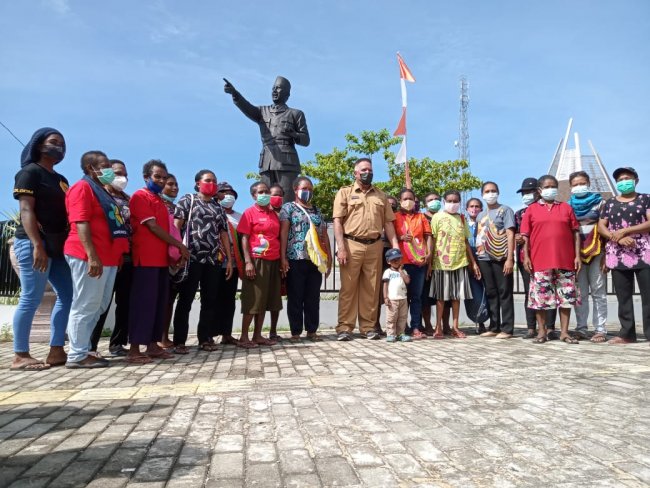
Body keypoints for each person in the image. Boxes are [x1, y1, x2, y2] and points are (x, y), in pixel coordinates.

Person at [11, 128, 72, 370]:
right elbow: (26, 210)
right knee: (31, 298)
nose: (59, 147)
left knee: (68, 295)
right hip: (34, 242)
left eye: (62, 143)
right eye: (53, 142)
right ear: (39, 145)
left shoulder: (61, 180)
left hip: (57, 246)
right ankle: (20, 355)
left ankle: (57, 349)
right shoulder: (29, 173)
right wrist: (37, 245)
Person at [64, 151, 130, 368]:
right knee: (85, 304)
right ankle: (76, 354)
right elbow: (80, 222)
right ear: (91, 168)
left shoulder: (102, 191)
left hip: (109, 258)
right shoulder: (82, 188)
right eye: (104, 165)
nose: (109, 169)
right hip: (88, 256)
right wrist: (92, 256)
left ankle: (87, 350)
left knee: (99, 306)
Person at [127, 160, 189, 364]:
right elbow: (152, 227)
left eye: (164, 177)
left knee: (159, 303)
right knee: (143, 303)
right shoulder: (140, 197)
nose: (161, 181)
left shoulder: (160, 201)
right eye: (157, 177)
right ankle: (135, 349)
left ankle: (153, 345)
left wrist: (174, 253)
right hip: (145, 259)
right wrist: (179, 245)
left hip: (161, 260)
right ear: (146, 177)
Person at [333, 158, 399, 341]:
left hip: (375, 246)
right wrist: (341, 247)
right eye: (363, 170)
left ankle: (368, 328)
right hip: (351, 244)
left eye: (370, 169)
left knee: (371, 288)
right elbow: (337, 221)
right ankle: (345, 327)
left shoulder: (381, 195)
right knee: (348, 288)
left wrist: (396, 247)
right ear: (355, 173)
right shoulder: (344, 192)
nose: (367, 172)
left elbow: (388, 223)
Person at [224, 76, 310, 202]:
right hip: (266, 162)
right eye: (273, 88)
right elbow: (247, 107)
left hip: (287, 162)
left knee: (286, 200)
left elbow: (306, 140)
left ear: (287, 94)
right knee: (265, 199)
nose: (275, 91)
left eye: (279, 88)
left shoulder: (296, 114)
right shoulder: (262, 111)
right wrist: (235, 94)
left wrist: (294, 134)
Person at [173, 170, 232, 352]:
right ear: (198, 183)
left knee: (210, 301)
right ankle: (180, 342)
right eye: (208, 180)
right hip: (190, 258)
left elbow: (223, 234)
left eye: (214, 181)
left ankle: (205, 338)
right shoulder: (188, 200)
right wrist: (176, 251)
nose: (212, 183)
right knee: (186, 300)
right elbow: (177, 226)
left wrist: (229, 260)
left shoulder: (218, 207)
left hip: (212, 260)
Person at [521, 175, 580, 344]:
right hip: (540, 260)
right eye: (547, 186)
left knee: (566, 299)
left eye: (553, 186)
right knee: (541, 299)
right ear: (539, 190)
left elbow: (576, 233)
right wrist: (526, 257)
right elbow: (525, 236)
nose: (551, 189)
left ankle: (564, 333)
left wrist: (577, 256)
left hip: (565, 260)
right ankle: (541, 332)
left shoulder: (566, 208)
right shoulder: (531, 210)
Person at [598, 167, 650, 344]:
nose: (623, 181)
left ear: (636, 180)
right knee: (623, 295)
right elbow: (601, 226)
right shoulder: (609, 203)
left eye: (627, 178)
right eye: (620, 179)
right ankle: (627, 334)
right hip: (617, 252)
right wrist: (617, 238)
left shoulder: (645, 199)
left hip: (643, 251)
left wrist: (625, 231)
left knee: (648, 295)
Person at [88, 159, 133, 358]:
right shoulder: (98, 195)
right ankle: (90, 346)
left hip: (128, 257)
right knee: (100, 303)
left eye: (124, 173)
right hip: (106, 257)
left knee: (124, 303)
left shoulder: (129, 199)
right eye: (116, 173)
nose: (121, 177)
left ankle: (117, 344)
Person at [280, 177, 332, 341]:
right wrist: (283, 258)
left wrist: (328, 258)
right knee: (295, 296)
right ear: (295, 189)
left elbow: (324, 235)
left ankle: (312, 330)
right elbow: (283, 234)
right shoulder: (288, 208)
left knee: (312, 297)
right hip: (295, 258)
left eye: (310, 188)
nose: (307, 191)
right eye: (304, 188)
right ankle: (295, 332)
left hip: (314, 260)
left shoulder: (317, 211)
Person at [429, 190, 481, 339]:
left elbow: (465, 241)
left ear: (459, 203)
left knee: (456, 297)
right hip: (441, 263)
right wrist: (429, 264)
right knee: (441, 298)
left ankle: (455, 327)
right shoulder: (437, 217)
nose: (452, 204)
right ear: (444, 201)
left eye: (455, 201)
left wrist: (473, 263)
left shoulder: (462, 219)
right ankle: (438, 327)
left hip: (460, 262)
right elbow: (432, 241)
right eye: (449, 201)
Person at [237, 182, 282, 348]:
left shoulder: (273, 214)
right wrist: (248, 262)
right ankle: (243, 337)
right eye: (261, 192)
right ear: (253, 195)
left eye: (267, 191)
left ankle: (257, 335)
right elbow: (244, 238)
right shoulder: (249, 213)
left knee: (264, 300)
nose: (265, 194)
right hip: (257, 260)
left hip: (273, 260)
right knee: (253, 300)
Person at [515, 177, 557, 339]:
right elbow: (517, 233)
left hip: (546, 256)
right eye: (524, 193)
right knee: (530, 293)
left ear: (538, 191)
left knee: (549, 291)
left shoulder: (548, 208)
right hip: (525, 257)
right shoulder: (520, 214)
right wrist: (519, 237)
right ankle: (531, 327)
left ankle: (550, 327)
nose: (527, 195)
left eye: (530, 192)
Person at [568, 171, 608, 343]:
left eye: (582, 183)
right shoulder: (567, 206)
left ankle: (600, 329)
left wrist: (607, 254)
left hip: (597, 251)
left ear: (589, 183)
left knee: (599, 291)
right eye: (576, 184)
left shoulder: (600, 204)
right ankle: (581, 328)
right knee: (580, 293)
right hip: (576, 254)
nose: (579, 187)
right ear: (570, 187)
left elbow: (607, 229)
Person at [475, 182, 516, 339]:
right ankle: (494, 326)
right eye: (487, 191)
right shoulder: (480, 215)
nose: (490, 193)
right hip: (483, 257)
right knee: (491, 292)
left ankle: (507, 328)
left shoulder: (505, 211)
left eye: (493, 191)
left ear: (498, 192)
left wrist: (510, 259)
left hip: (501, 257)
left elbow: (510, 234)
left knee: (504, 291)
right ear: (482, 194)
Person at [394, 188, 432, 339]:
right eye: (405, 198)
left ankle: (416, 326)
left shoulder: (421, 217)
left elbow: (428, 236)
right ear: (400, 201)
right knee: (402, 297)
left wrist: (428, 254)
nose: (408, 201)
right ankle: (402, 327)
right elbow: (391, 234)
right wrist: (400, 236)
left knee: (416, 296)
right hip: (401, 263)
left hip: (418, 263)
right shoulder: (395, 217)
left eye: (411, 198)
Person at [214, 182, 243, 345]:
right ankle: (208, 335)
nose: (228, 195)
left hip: (233, 262)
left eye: (231, 193)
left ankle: (227, 333)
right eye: (224, 192)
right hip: (215, 261)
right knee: (212, 298)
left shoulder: (239, 217)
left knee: (228, 299)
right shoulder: (213, 212)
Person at [422, 192, 448, 335]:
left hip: (444, 261)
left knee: (444, 296)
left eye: (437, 199)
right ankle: (427, 325)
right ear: (425, 203)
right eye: (430, 200)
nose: (434, 202)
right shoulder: (422, 217)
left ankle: (445, 325)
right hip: (426, 261)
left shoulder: (445, 217)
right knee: (425, 295)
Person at [159, 173, 180, 349]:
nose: (174, 188)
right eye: (170, 184)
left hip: (176, 259)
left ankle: (164, 336)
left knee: (169, 300)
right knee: (158, 300)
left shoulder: (177, 208)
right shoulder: (156, 205)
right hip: (158, 257)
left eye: (176, 185)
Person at [374, 195, 399, 336]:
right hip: (379, 254)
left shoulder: (398, 220)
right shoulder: (377, 218)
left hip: (395, 256)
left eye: (393, 205)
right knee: (377, 291)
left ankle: (399, 324)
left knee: (396, 290)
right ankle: (375, 324)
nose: (390, 206)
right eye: (388, 204)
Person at [465, 197, 488, 334]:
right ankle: (479, 321)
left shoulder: (485, 223)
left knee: (487, 292)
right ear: (467, 209)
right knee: (475, 295)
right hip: (469, 263)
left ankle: (491, 321)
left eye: (477, 206)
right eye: (471, 206)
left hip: (485, 261)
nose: (474, 209)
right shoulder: (463, 224)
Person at [382, 249, 412, 343]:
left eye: (398, 259)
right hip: (392, 299)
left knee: (402, 317)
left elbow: (407, 281)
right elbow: (385, 285)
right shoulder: (388, 272)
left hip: (403, 299)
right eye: (393, 260)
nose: (396, 261)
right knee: (392, 317)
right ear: (388, 261)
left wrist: (401, 271)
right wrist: (385, 297)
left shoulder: (403, 271)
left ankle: (400, 334)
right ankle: (390, 334)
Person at [268, 184, 285, 340]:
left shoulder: (286, 213)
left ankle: (273, 330)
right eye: (274, 194)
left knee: (276, 297)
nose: (277, 197)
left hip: (282, 260)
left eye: (280, 194)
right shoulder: (265, 213)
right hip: (267, 257)